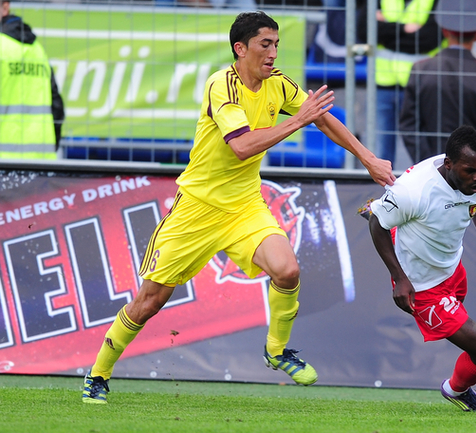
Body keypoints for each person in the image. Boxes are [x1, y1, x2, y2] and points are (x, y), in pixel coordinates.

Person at [82, 11, 395, 404]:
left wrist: (368, 158)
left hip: (244, 206)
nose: (273, 52)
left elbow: (322, 119)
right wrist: (297, 121)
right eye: (265, 44)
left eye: (276, 44)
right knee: (149, 302)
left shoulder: (278, 83)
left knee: (287, 270)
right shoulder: (222, 85)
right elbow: (242, 146)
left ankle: (276, 350)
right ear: (240, 48)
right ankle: (98, 374)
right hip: (197, 210)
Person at [364, 125, 476, 412]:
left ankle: (383, 210)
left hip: (452, 267)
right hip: (421, 285)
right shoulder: (414, 190)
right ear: (449, 164)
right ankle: (457, 390)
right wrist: (399, 278)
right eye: (471, 171)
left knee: (468, 331)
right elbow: (377, 226)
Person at [399, 0, 476, 173]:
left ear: (444, 31)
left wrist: (430, 164)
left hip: (432, 169)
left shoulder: (421, 70)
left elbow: (409, 126)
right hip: (475, 173)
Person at [357, 0, 442, 164]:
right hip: (383, 84)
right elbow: (364, 30)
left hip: (420, 87)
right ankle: (383, 183)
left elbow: (428, 39)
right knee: (381, 154)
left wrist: (385, 32)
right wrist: (404, 29)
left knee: (425, 154)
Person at [0, 0, 64, 159]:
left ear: (5, 7)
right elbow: (56, 106)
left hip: (4, 161)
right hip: (41, 159)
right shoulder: (37, 49)